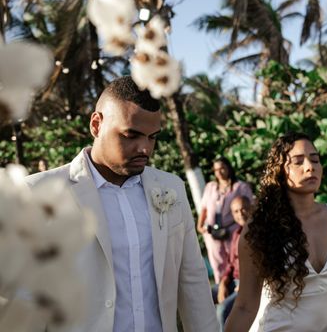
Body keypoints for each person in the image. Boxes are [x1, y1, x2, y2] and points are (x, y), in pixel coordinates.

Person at [25, 76, 219, 332]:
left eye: (152, 137)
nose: (145, 149)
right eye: (131, 135)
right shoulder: (37, 193)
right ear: (96, 124)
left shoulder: (171, 189)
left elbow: (193, 281)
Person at [224, 132, 327, 332]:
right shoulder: (260, 228)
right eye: (298, 162)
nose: (310, 167)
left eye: (315, 159)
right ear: (280, 172)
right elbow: (244, 307)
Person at [197, 157, 253, 283]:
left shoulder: (240, 187)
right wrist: (200, 226)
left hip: (232, 229)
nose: (219, 172)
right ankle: (221, 288)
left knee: (235, 259)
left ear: (228, 168)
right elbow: (204, 208)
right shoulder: (211, 187)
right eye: (216, 170)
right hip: (213, 232)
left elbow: (250, 207)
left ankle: (238, 288)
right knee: (217, 264)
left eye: (222, 168)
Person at [212, 195, 252, 328]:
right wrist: (223, 282)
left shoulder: (259, 233)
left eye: (243, 209)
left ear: (251, 208)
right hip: (232, 281)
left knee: (222, 310)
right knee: (201, 297)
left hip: (248, 284)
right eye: (236, 211)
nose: (240, 214)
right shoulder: (236, 233)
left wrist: (245, 285)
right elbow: (230, 263)